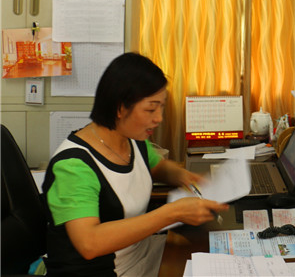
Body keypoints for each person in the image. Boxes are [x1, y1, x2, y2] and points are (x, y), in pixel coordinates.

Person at [42, 52, 229, 277]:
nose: (159, 118)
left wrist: (183, 176)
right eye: (151, 109)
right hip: (102, 271)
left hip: (138, 254)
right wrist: (171, 213)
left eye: (161, 107)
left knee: (215, 256)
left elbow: (157, 167)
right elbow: (89, 243)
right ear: (120, 108)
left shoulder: (133, 140)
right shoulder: (73, 166)